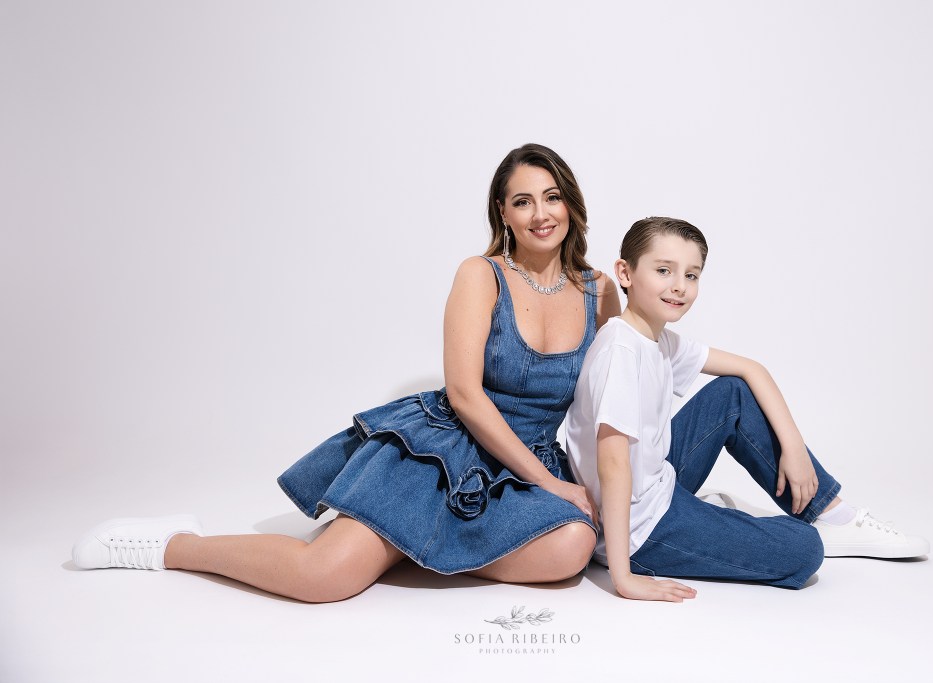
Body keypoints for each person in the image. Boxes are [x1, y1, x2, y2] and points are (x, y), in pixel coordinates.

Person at [71, 143, 621, 602]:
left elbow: (607, 400)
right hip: (446, 450)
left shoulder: (599, 293)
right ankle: (174, 544)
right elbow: (465, 394)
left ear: (571, 204)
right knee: (324, 578)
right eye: (522, 201)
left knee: (570, 548)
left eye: (551, 197)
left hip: (523, 467)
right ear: (503, 213)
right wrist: (550, 485)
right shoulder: (482, 275)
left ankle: (408, 545)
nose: (540, 213)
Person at [564, 217, 929, 603]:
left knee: (732, 393)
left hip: (656, 485)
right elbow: (613, 463)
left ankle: (833, 513)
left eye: (691, 275)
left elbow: (751, 370)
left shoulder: (656, 339)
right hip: (639, 530)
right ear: (626, 272)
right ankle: (755, 524)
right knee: (804, 551)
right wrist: (623, 576)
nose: (679, 286)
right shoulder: (621, 351)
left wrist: (795, 449)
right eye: (663, 271)